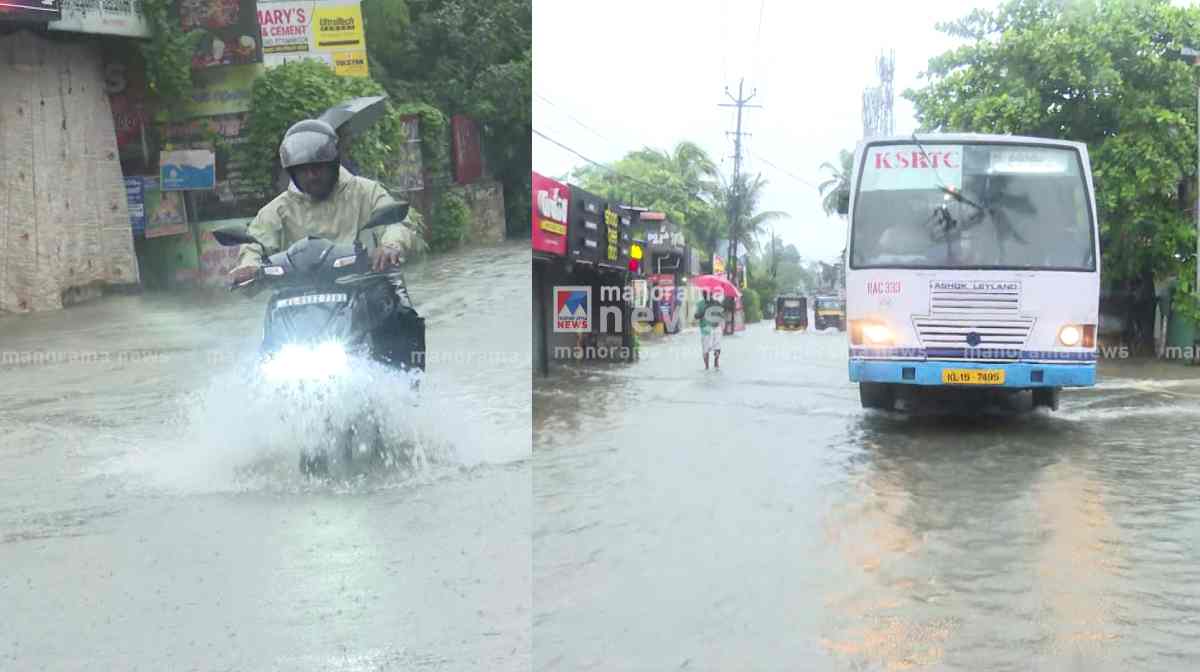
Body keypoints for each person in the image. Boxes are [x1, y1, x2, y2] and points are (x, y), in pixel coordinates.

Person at [229, 118, 423, 285]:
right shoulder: (277, 210)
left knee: (400, 315)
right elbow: (255, 242)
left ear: (333, 164)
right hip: (298, 300)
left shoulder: (366, 192)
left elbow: (395, 223)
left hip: (365, 289)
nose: (312, 175)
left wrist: (390, 246)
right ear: (292, 173)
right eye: (303, 170)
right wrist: (249, 266)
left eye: (318, 167)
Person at [694, 290, 725, 370]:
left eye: (707, 293)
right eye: (704, 293)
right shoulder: (701, 304)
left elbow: (721, 315)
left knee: (715, 346)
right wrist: (705, 310)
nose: (705, 295)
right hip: (707, 328)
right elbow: (696, 316)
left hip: (713, 327)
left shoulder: (716, 303)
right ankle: (709, 366)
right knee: (708, 348)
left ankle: (714, 362)